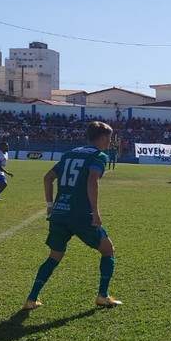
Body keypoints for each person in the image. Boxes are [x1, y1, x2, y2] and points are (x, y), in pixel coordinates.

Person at [23, 120, 121, 310]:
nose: (110, 142)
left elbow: (48, 177)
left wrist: (50, 205)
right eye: (109, 138)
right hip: (81, 214)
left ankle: (31, 299)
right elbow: (92, 181)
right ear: (102, 138)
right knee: (108, 250)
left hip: (60, 212)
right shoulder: (98, 156)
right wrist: (95, 213)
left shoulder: (70, 153)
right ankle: (103, 295)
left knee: (54, 256)